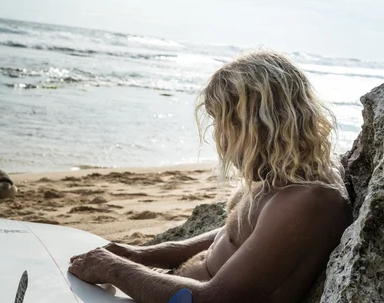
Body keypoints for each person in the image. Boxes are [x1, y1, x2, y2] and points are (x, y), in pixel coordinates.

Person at [69, 50, 353, 303]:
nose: (220, 140)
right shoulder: (285, 178)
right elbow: (232, 235)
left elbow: (215, 299)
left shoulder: (308, 201)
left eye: (223, 123)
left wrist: (114, 268)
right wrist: (142, 255)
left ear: (260, 122)